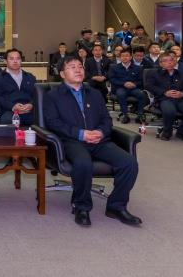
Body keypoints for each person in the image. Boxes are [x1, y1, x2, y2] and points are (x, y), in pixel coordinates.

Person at [44, 57, 141, 226]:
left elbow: (106, 120)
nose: (78, 70)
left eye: (80, 67)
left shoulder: (94, 93)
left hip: (99, 141)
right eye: (72, 67)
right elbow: (53, 123)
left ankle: (116, 206)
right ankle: (81, 207)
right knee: (83, 163)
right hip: (71, 141)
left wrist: (100, 132)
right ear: (62, 74)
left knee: (129, 163)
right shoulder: (52, 96)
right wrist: (81, 134)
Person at [151, 52, 183, 141]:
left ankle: (182, 132)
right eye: (165, 61)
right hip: (164, 99)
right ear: (160, 63)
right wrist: (164, 92)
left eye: (171, 60)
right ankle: (167, 132)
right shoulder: (155, 73)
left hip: (181, 99)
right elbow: (150, 87)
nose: (169, 62)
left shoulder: (182, 73)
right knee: (170, 111)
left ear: (175, 62)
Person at [0, 48, 37, 126]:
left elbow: (36, 95)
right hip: (9, 110)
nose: (15, 61)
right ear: (6, 61)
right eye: (11, 59)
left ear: (21, 60)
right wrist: (12, 106)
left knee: (44, 119)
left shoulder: (30, 77)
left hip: (29, 110)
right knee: (7, 121)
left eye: (18, 58)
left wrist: (31, 104)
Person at [107, 49, 147, 124]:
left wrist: (134, 84)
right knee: (121, 94)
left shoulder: (138, 68)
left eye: (127, 56)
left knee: (142, 94)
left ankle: (140, 114)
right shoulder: (114, 67)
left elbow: (141, 81)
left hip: (133, 88)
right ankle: (125, 115)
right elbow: (112, 79)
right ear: (120, 57)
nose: (125, 57)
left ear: (131, 57)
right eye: (122, 56)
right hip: (120, 87)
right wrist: (124, 83)